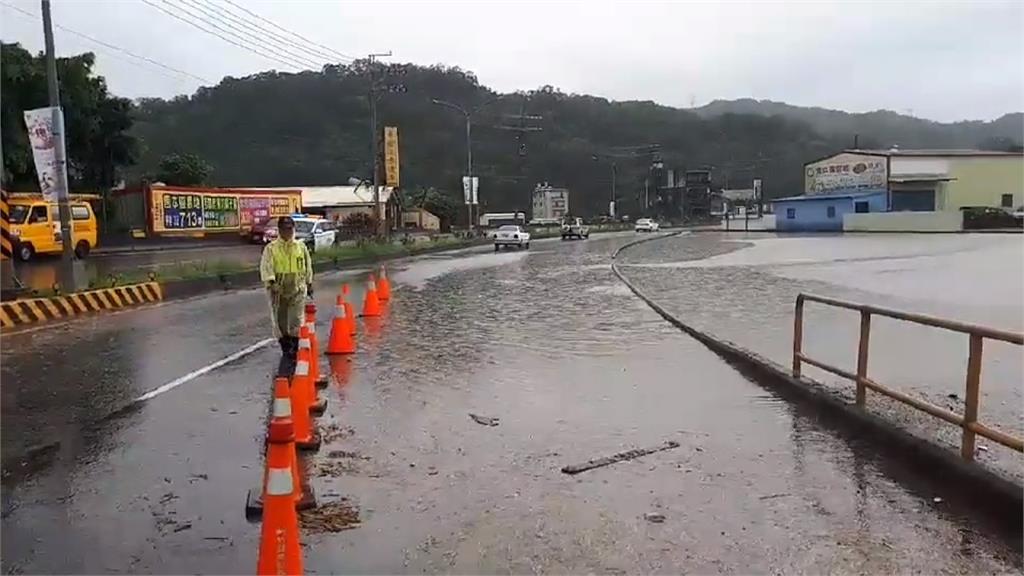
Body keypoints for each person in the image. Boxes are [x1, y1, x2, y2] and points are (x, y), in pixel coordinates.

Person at [259, 216, 313, 359]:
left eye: (290, 229)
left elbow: (307, 265)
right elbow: (266, 267)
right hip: (279, 288)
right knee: (280, 320)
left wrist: (309, 282)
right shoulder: (271, 248)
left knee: (296, 318)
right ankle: (285, 344)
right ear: (280, 230)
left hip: (297, 286)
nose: (287, 232)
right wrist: (271, 283)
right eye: (284, 229)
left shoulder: (300, 247)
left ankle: (294, 347)